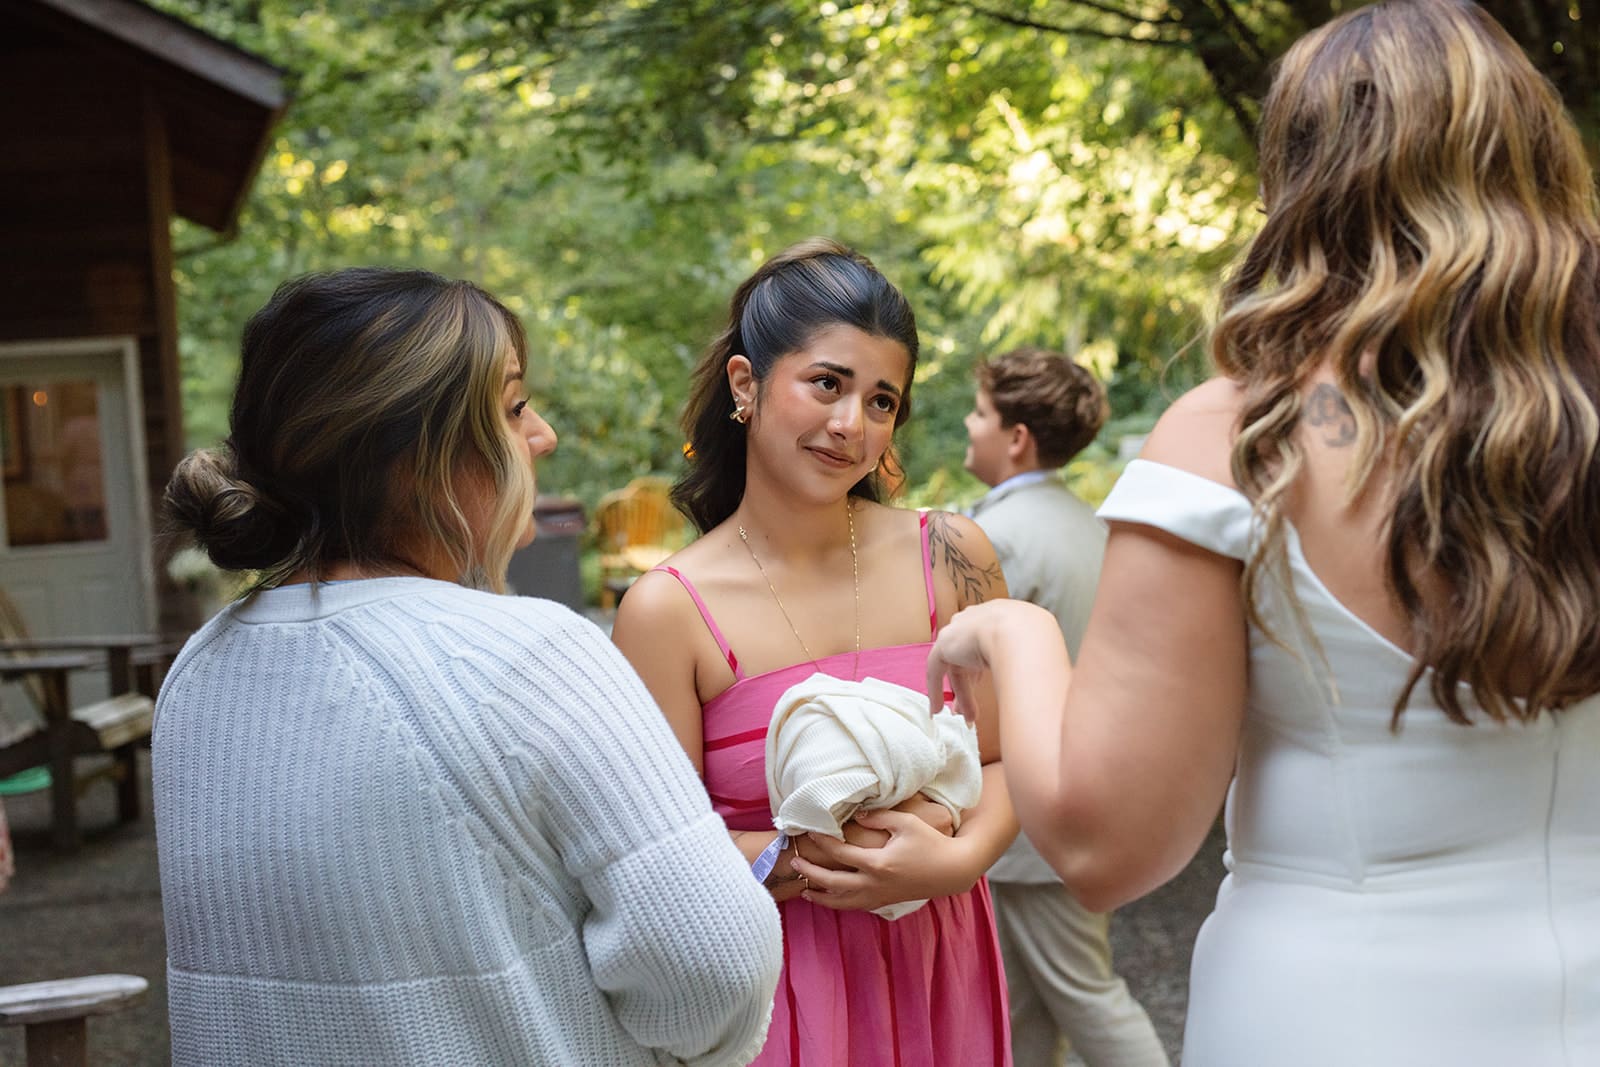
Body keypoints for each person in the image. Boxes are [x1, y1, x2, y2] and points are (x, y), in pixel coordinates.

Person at [927, 3, 1600, 1064]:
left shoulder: (1245, 436)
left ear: (1299, 184)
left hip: (1335, 1013)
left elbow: (1106, 843)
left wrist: (1013, 632)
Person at [154, 267, 783, 1066]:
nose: (543, 435)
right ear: (415, 453)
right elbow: (714, 963)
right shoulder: (528, 655)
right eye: (515, 407)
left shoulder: (198, 675)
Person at [612, 237, 1018, 1066]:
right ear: (746, 383)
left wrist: (956, 857)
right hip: (781, 986)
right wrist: (799, 857)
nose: (851, 425)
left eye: (881, 401)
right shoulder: (666, 609)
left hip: (945, 962)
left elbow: (1010, 759)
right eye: (827, 384)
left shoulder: (955, 552)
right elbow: (656, 851)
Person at [963, 348, 1168, 1067]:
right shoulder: (1088, 523)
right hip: (1069, 801)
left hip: (1030, 820)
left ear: (1016, 436)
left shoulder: (1000, 538)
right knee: (1019, 1009)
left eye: (981, 411)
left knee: (1089, 998)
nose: (969, 422)